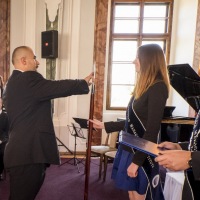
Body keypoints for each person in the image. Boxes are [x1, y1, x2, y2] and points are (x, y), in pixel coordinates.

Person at [2, 46, 94, 200]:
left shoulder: (12, 83)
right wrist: (82, 83)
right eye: (34, 58)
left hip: (22, 153)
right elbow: (56, 87)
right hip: (28, 153)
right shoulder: (27, 79)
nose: (37, 62)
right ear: (23, 61)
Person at [90, 44, 170, 200]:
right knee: (131, 193)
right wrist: (105, 125)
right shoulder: (143, 86)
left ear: (148, 61)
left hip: (141, 152)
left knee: (139, 194)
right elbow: (131, 120)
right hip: (129, 147)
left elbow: (151, 130)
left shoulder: (158, 88)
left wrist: (137, 162)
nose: (134, 61)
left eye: (137, 58)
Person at [0, 97, 9, 180]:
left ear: (1, 104)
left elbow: (7, 132)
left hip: (2, 141)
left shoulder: (5, 116)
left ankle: (0, 172)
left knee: (2, 152)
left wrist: (3, 140)